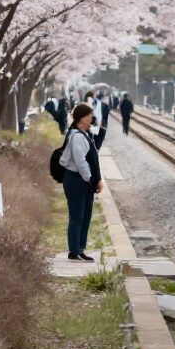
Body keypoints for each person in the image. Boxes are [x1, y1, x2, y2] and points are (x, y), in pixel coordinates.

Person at [58, 103, 104, 261]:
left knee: (85, 216)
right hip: (76, 180)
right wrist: (90, 179)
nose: (92, 118)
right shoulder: (77, 136)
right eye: (89, 115)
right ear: (81, 118)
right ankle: (74, 250)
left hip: (84, 180)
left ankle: (80, 248)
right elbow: (81, 162)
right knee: (77, 216)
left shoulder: (85, 134)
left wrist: (96, 179)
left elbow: (94, 152)